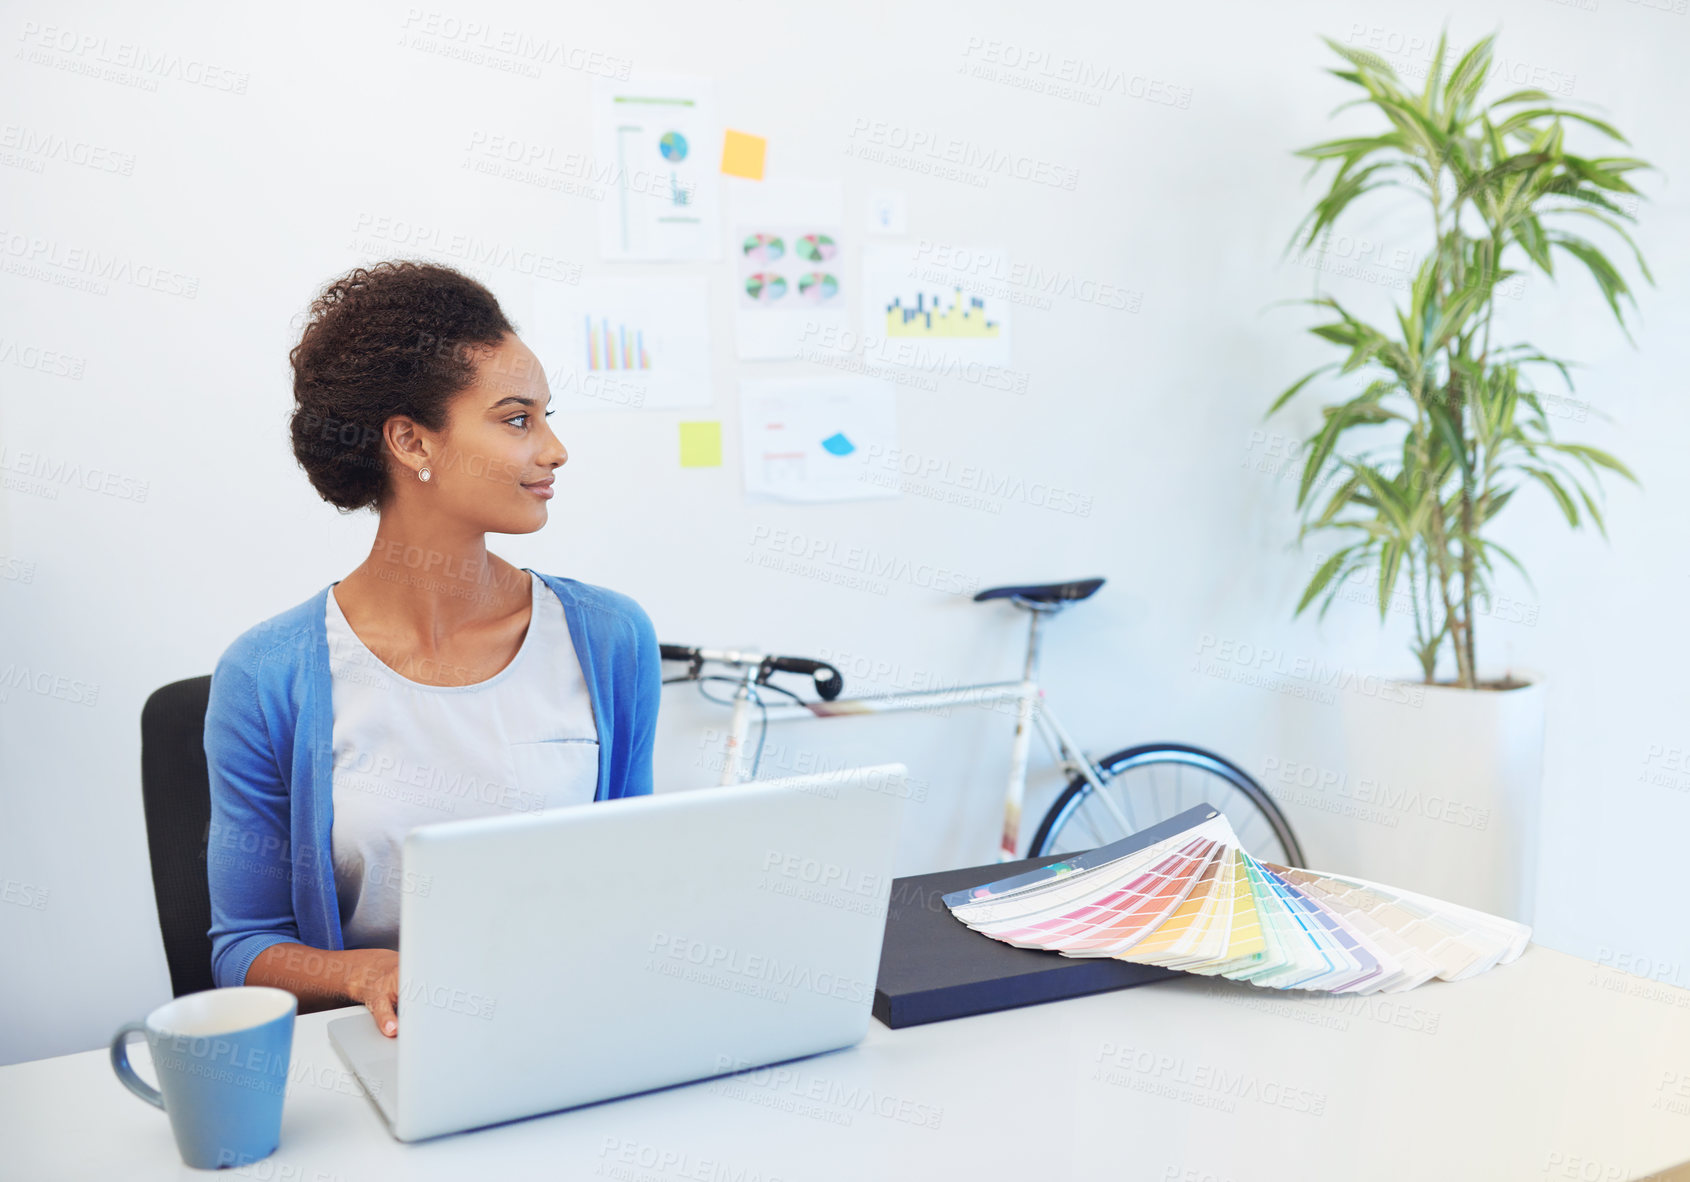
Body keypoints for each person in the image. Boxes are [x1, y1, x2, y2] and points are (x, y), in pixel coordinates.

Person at [204, 260, 660, 1038]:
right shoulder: (268, 674)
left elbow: (640, 885)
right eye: (518, 420)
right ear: (412, 441)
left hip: (576, 1033)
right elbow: (242, 948)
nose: (554, 450)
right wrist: (365, 972)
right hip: (389, 1052)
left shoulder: (611, 639)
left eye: (547, 417)